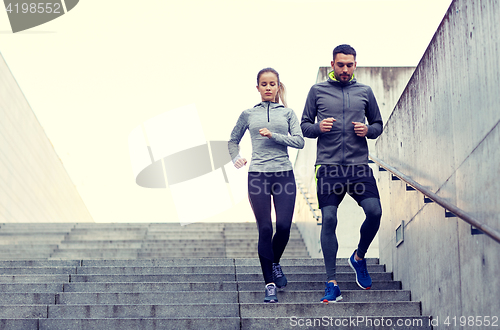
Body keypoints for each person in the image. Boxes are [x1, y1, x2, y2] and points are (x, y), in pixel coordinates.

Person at [300, 44, 383, 303]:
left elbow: (378, 124)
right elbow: (304, 126)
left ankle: (359, 257)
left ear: (355, 65)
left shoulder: (365, 92)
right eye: (340, 65)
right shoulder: (317, 91)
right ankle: (332, 282)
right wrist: (318, 127)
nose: (345, 69)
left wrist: (368, 131)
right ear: (332, 65)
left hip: (359, 166)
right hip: (328, 166)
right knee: (330, 218)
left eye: (349, 64)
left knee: (375, 211)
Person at [228, 68, 304, 303]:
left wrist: (274, 136)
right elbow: (232, 140)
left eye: (272, 84)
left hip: (284, 175)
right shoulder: (248, 114)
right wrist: (235, 158)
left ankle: (275, 263)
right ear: (258, 87)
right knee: (265, 229)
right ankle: (269, 283)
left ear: (278, 86)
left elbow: (300, 141)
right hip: (258, 175)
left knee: (283, 227)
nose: (268, 87)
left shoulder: (288, 113)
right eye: (264, 84)